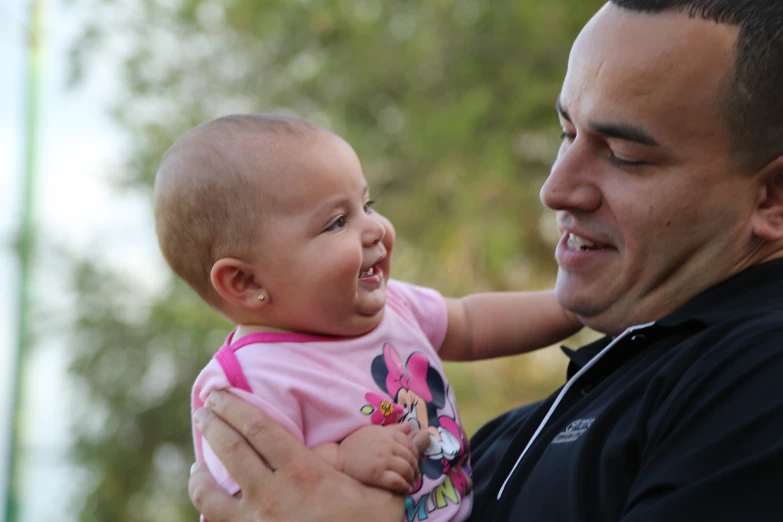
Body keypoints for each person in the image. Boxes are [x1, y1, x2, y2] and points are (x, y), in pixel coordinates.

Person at [187, 0, 783, 520]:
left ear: (772, 199)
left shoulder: (756, 378)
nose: (556, 188)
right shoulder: (515, 438)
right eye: (566, 134)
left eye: (625, 154)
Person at [154, 114, 582, 521]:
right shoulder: (248, 385)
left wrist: (574, 304)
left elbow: (469, 324)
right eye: (337, 222)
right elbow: (250, 502)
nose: (374, 228)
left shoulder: (389, 306)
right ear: (245, 281)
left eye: (367, 205)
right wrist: (341, 458)